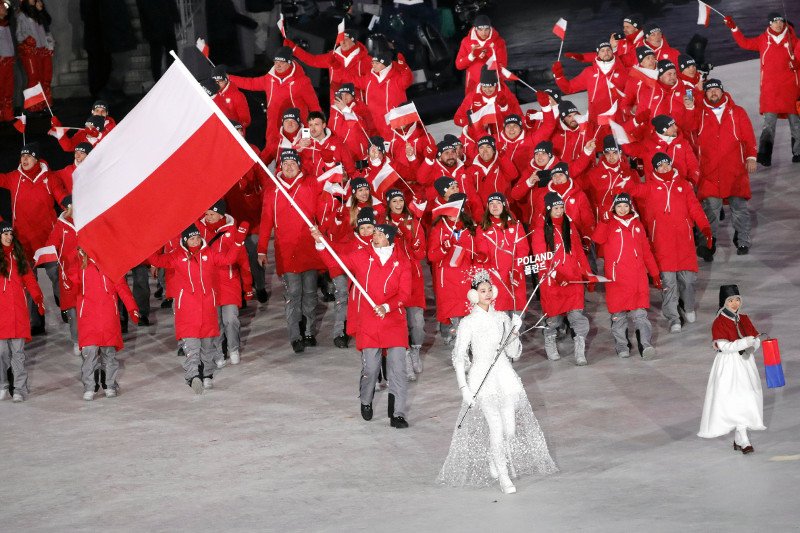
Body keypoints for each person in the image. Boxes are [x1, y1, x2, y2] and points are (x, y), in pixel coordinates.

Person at [437, 270, 557, 494]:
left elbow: (513, 353)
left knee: (509, 430)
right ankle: (503, 475)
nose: (488, 293)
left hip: (504, 375)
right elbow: (459, 356)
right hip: (482, 377)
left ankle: (496, 457)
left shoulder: (502, 318)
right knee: (496, 427)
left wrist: (514, 331)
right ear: (473, 295)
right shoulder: (468, 323)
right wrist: (464, 388)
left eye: (490, 289)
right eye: (482, 291)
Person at [310, 223, 413, 429]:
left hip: (393, 321)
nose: (375, 235)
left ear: (390, 239)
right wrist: (320, 243)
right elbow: (336, 262)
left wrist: (387, 306)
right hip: (370, 320)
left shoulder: (402, 263)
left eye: (380, 233)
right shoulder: (362, 256)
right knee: (371, 368)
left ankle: (397, 413)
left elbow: (405, 294)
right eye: (375, 232)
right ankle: (366, 399)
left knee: (398, 369)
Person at [148, 222, 248, 394]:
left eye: (197, 238)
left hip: (208, 308)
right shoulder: (176, 256)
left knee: (208, 346)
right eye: (191, 239)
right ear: (185, 241)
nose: (195, 241)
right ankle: (193, 376)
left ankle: (207, 375)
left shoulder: (209, 253)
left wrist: (238, 242)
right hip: (187, 310)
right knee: (192, 346)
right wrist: (149, 243)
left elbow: (228, 259)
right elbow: (156, 260)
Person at [627, 153, 712, 333]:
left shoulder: (683, 185)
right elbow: (632, 190)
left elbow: (695, 208)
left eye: (666, 164)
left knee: (688, 280)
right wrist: (626, 173)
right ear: (655, 169)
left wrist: (704, 227)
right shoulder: (649, 187)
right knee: (669, 282)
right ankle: (673, 317)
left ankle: (688, 307)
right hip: (662, 244)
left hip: (684, 242)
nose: (664, 168)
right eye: (660, 166)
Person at [257, 149, 324, 353]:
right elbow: (266, 221)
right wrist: (261, 250)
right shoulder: (273, 190)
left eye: (292, 163)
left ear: (298, 165)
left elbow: (323, 208)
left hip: (309, 249)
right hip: (286, 253)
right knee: (293, 293)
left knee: (311, 293)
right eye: (284, 163)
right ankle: (295, 335)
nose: (288, 166)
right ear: (279, 166)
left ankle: (309, 330)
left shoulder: (310, 184)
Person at [688, 79, 758, 258]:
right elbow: (687, 126)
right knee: (709, 212)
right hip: (709, 173)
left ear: (722, 91)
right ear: (705, 93)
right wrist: (689, 106)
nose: (713, 93)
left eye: (716, 90)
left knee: (739, 209)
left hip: (735, 171)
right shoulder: (699, 113)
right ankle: (708, 246)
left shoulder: (737, 112)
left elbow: (749, 137)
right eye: (710, 90)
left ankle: (743, 240)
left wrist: (751, 157)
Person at [724, 12, 800, 165]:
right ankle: (765, 155)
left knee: (796, 124)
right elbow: (744, 43)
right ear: (769, 24)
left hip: (791, 90)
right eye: (774, 22)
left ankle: (798, 153)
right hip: (770, 91)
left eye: (780, 21)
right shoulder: (763, 40)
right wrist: (734, 28)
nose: (778, 24)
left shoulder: (795, 41)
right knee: (768, 125)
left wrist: (797, 64)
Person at [698, 285, 765, 454]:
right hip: (728, 366)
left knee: (746, 397)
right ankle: (743, 439)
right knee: (733, 400)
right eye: (730, 300)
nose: (735, 303)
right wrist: (745, 342)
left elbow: (755, 339)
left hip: (745, 364)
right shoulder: (719, 322)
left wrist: (753, 345)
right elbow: (723, 346)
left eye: (737, 300)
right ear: (724, 303)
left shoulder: (744, 318)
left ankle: (739, 437)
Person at [592, 193, 660, 359]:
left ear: (630, 207)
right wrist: (603, 221)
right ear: (614, 207)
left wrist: (655, 273)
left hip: (637, 278)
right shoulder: (609, 224)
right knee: (618, 316)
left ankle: (646, 344)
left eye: (625, 206)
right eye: (619, 206)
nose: (622, 209)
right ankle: (622, 345)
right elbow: (597, 239)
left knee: (640, 315)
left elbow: (646, 252)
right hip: (617, 279)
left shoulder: (637, 225)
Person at [532, 192, 594, 365]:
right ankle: (549, 339)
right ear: (548, 210)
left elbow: (579, 253)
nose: (559, 211)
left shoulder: (570, 226)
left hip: (573, 279)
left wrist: (587, 274)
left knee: (577, 316)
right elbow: (540, 258)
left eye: (561, 208)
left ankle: (580, 350)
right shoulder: (540, 230)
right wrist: (556, 275)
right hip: (553, 282)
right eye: (556, 208)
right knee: (554, 318)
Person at [73, 248, 139, 400]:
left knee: (109, 353)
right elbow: (71, 286)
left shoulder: (111, 264)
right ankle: (89, 386)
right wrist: (67, 280)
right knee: (89, 353)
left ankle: (109, 384)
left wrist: (132, 307)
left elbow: (121, 287)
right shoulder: (79, 264)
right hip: (88, 318)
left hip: (109, 317)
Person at [197, 200, 253, 367]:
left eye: (212, 214)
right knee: (215, 323)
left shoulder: (232, 231)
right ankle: (218, 352)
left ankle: (233, 348)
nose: (208, 217)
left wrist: (248, 287)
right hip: (209, 285)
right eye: (206, 214)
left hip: (229, 283)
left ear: (221, 214)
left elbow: (243, 261)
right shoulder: (200, 231)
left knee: (231, 320)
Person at [428, 193, 488, 344]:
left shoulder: (471, 228)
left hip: (466, 278)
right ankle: (459, 349)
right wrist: (443, 248)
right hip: (448, 280)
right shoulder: (438, 229)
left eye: (458, 209)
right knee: (454, 316)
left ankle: (468, 345)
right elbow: (431, 256)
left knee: (469, 314)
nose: (454, 214)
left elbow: (479, 252)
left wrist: (481, 259)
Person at [229, 46, 321, 143]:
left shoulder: (302, 82)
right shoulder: (269, 78)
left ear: (289, 63)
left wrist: (308, 134)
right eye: (276, 62)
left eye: (282, 62)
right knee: (271, 152)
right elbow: (250, 83)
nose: (278, 65)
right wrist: (229, 78)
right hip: (273, 129)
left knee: (295, 155)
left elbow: (314, 108)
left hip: (295, 129)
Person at [383, 189, 427, 380]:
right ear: (389, 204)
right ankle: (406, 357)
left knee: (417, 322)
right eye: (395, 201)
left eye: (401, 200)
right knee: (399, 323)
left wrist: (409, 237)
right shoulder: (384, 225)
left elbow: (421, 253)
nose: (399, 204)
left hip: (414, 279)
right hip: (394, 280)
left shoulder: (414, 223)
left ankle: (415, 350)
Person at [0, 222, 45, 403]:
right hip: (1, 314)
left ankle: (18, 388)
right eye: (5, 234)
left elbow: (29, 280)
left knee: (18, 354)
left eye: (10, 234)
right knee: (2, 354)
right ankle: (3, 385)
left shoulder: (19, 257)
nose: (9, 237)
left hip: (18, 312)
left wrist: (38, 298)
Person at [477, 193, 528, 314]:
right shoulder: (482, 228)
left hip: (514, 274)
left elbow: (523, 249)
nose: (495, 206)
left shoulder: (516, 225)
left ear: (504, 205)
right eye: (491, 204)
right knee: (498, 313)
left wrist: (516, 269)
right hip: (495, 277)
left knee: (518, 315)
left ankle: (516, 332)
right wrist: (482, 257)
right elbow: (482, 251)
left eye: (498, 203)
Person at [553, 41, 627, 121]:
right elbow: (568, 88)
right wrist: (559, 76)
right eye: (602, 50)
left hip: (618, 118)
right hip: (596, 119)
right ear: (597, 54)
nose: (606, 52)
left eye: (608, 50)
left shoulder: (622, 71)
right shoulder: (589, 72)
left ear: (612, 52)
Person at [455, 14, 508, 94]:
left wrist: (488, 55)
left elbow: (502, 64)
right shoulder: (466, 42)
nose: (483, 33)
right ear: (475, 29)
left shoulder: (498, 42)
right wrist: (471, 56)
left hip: (492, 86)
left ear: (490, 28)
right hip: (474, 87)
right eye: (480, 29)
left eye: (486, 29)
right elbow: (459, 65)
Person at [16, 0, 53, 112]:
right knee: (34, 78)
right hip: (30, 51)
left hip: (41, 50)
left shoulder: (37, 13)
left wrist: (41, 11)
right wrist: (27, 39)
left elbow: (47, 24)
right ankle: (32, 108)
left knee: (43, 78)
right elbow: (19, 35)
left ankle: (45, 105)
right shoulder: (22, 15)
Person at [135, 0, 179, 81]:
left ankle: (159, 79)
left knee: (157, 55)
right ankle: (169, 77)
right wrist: (175, 17)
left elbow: (142, 7)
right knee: (168, 52)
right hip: (163, 22)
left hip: (154, 24)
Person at [210, 65, 251, 131]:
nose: (216, 84)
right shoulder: (213, 93)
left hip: (231, 132)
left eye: (219, 81)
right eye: (214, 81)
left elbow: (246, 120)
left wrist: (237, 127)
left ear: (226, 80)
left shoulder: (237, 95)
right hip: (216, 129)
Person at [0, 1, 14, 122]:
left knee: (8, 88)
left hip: (8, 59)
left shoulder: (6, 23)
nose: (5, 9)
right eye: (2, 7)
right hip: (2, 60)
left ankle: (8, 114)